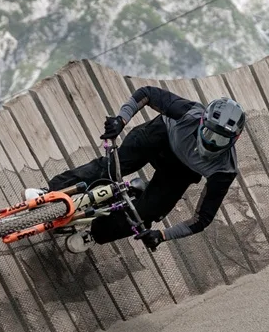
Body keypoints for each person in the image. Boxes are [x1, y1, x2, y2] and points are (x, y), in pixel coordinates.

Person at [32, 87, 245, 251]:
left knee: (147, 213)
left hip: (180, 172)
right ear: (202, 122)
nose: (212, 143)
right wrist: (121, 120)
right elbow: (147, 94)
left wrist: (162, 236)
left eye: (220, 140)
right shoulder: (188, 112)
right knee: (110, 168)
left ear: (235, 139)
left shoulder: (224, 170)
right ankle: (49, 191)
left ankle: (93, 234)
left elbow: (202, 219)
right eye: (209, 134)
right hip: (158, 138)